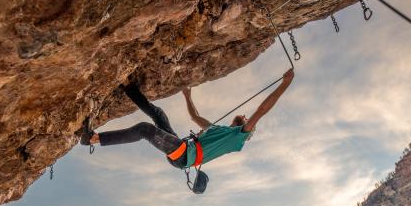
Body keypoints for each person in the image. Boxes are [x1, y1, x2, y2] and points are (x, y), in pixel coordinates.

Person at [80, 68, 294, 173]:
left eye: (248, 121)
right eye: (247, 118)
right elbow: (195, 117)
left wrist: (284, 84)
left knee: (146, 129)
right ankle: (127, 86)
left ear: (247, 130)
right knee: (159, 115)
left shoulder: (237, 138)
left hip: (184, 155)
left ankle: (93, 139)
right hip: (183, 148)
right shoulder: (218, 129)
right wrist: (187, 96)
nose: (247, 118)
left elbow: (262, 109)